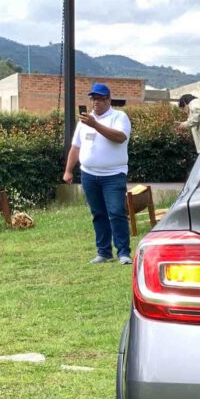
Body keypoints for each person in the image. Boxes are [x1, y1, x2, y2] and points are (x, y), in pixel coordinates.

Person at [62, 83, 133, 265]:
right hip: (89, 174)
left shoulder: (119, 117)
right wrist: (68, 170)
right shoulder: (84, 121)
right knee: (98, 213)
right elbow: (76, 147)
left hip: (113, 174)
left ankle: (123, 253)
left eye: (101, 99)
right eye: (94, 99)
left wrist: (95, 125)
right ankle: (104, 252)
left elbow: (120, 138)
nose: (96, 102)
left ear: (109, 100)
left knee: (116, 212)